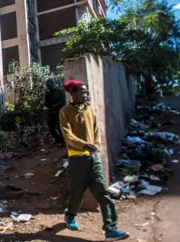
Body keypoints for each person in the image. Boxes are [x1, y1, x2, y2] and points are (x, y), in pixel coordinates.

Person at [59, 79, 129, 241]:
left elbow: (96, 131)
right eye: (82, 91)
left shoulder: (90, 111)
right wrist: (84, 145)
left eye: (86, 91)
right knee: (76, 193)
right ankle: (70, 216)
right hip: (77, 160)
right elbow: (67, 135)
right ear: (73, 93)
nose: (86, 94)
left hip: (93, 159)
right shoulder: (65, 112)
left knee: (103, 193)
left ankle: (111, 229)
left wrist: (96, 145)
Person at [45, 78, 65, 146]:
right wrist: (50, 107)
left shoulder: (60, 91)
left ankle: (63, 141)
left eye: (50, 84)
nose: (49, 86)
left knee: (60, 127)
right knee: (51, 127)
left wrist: (56, 106)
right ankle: (58, 139)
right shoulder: (47, 94)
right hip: (51, 112)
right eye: (48, 85)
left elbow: (63, 101)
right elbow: (46, 103)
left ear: (53, 84)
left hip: (59, 111)